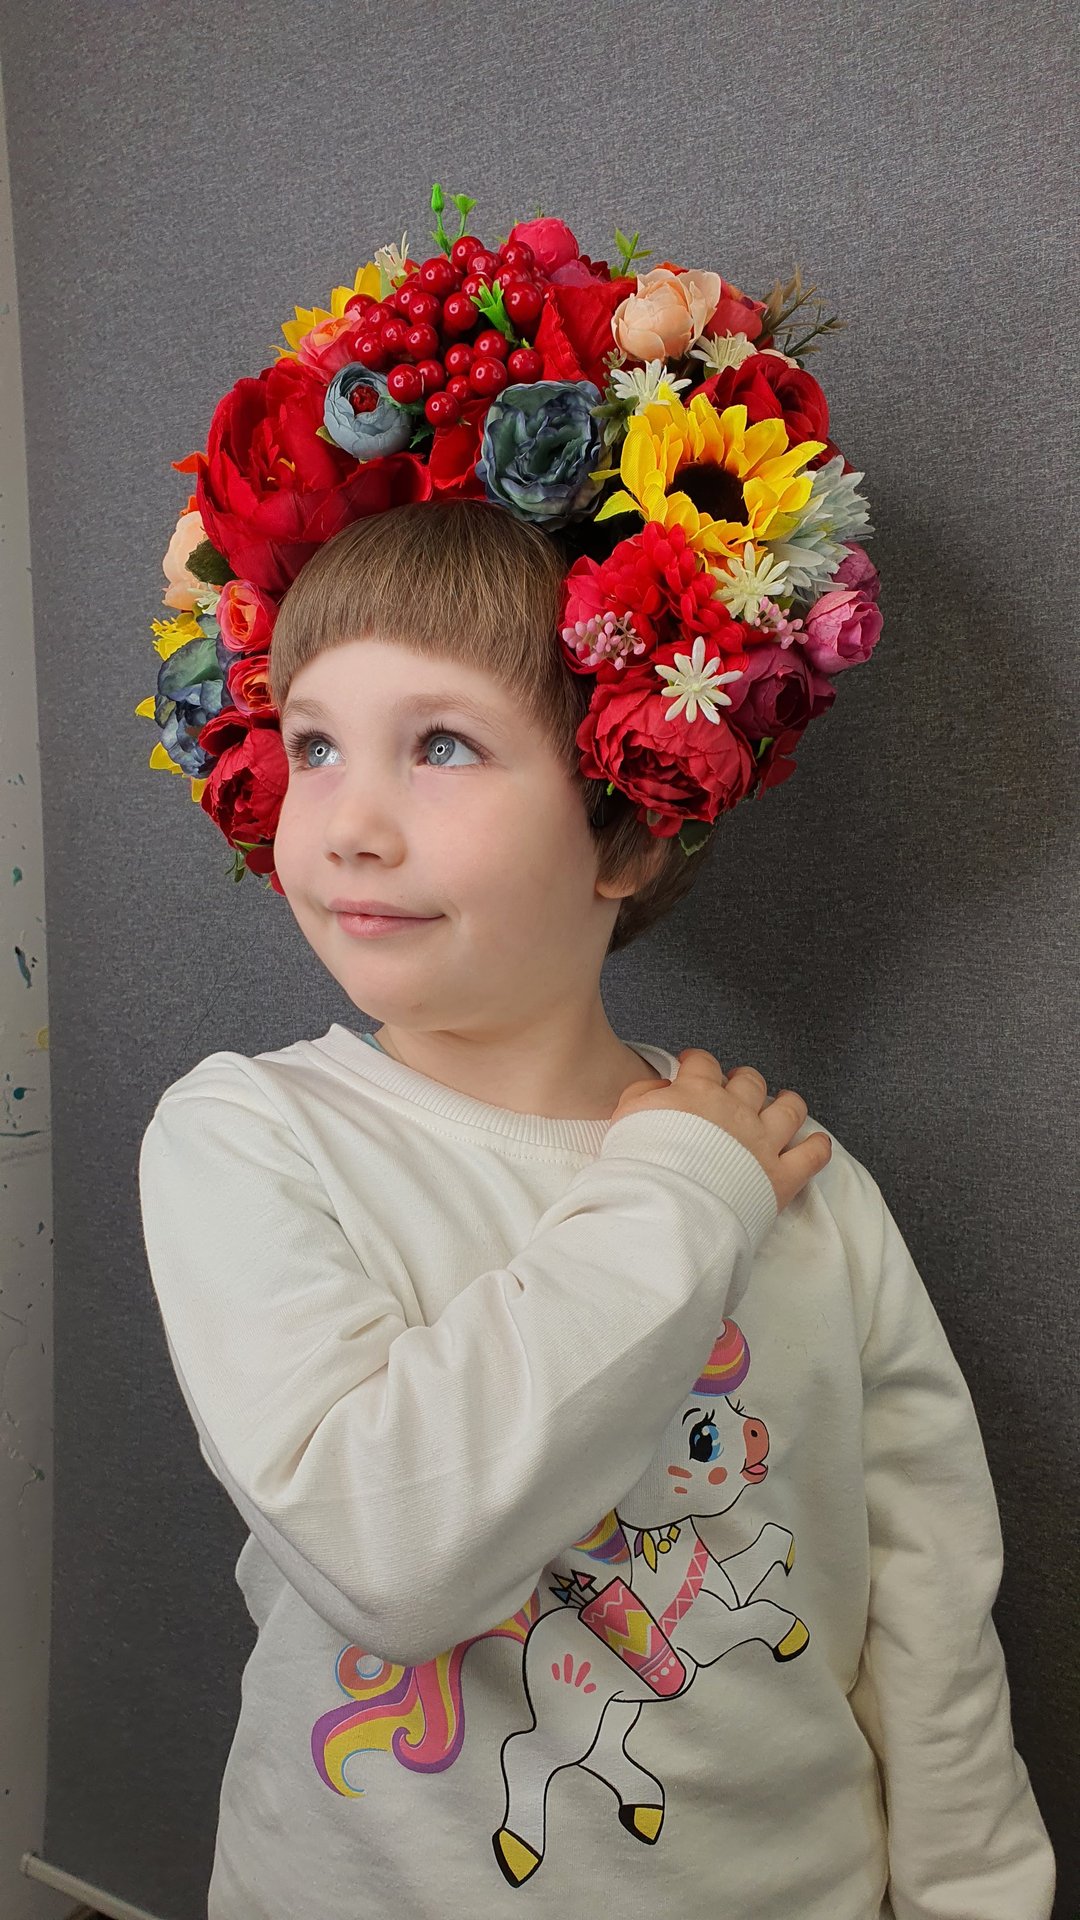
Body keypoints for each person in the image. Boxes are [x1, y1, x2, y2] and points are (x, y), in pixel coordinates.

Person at [138, 497, 1056, 1919]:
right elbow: (389, 1554)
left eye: (443, 744)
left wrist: (972, 1895)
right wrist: (682, 1185)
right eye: (313, 743)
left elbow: (928, 1599)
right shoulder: (250, 1139)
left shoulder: (806, 1191)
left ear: (626, 824)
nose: (351, 825)